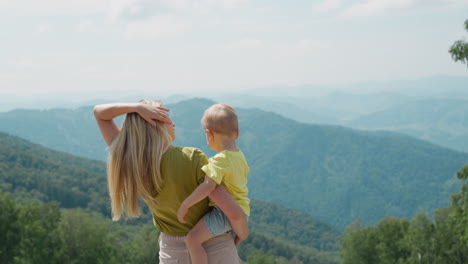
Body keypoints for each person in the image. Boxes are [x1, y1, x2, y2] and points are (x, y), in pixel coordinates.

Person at [93, 100, 248, 264]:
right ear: (154, 124)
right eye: (166, 118)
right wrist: (242, 234)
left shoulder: (130, 160)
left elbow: (99, 113)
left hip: (171, 253)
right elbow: (234, 214)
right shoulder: (192, 158)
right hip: (215, 248)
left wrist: (137, 108)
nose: (173, 123)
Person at [177, 104, 250, 264]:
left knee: (192, 240)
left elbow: (207, 187)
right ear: (236, 134)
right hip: (243, 209)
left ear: (209, 134)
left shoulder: (218, 161)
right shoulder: (240, 156)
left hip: (222, 214)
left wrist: (186, 204)